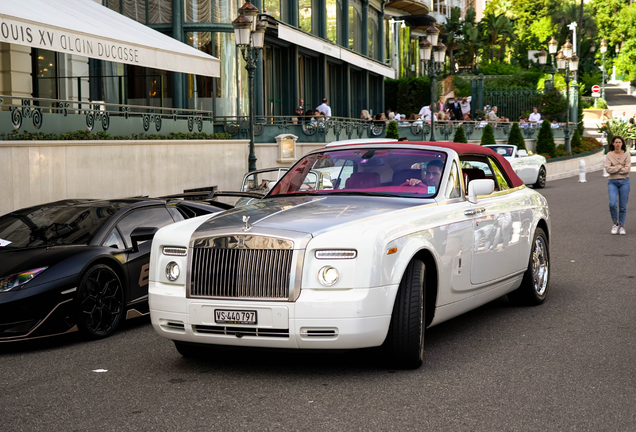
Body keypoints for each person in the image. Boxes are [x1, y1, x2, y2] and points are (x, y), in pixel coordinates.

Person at [605, 136, 631, 235]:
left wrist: (614, 167)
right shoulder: (609, 155)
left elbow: (627, 169)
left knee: (623, 206)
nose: (618, 144)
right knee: (612, 204)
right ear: (612, 144)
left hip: (624, 182)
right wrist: (621, 166)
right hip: (612, 182)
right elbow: (608, 169)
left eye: (619, 142)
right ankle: (615, 224)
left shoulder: (626, 154)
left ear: (622, 144)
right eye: (616, 142)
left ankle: (622, 226)